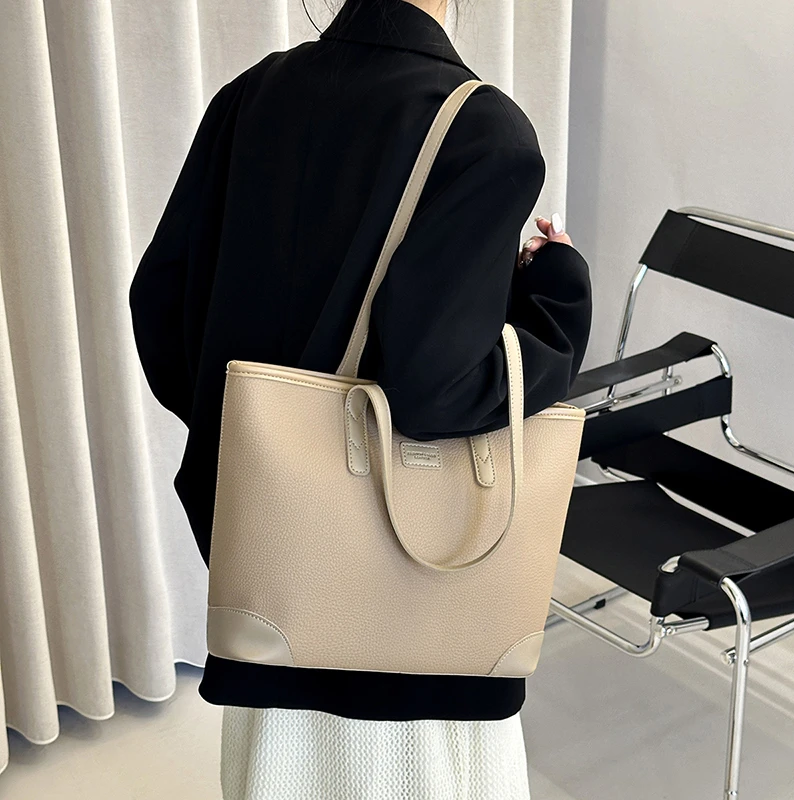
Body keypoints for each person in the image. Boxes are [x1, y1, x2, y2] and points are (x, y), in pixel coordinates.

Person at [128, 0, 592, 796]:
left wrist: (266, 450)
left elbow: (163, 309)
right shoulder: (484, 132)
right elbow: (435, 389)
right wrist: (557, 290)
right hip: (417, 607)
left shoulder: (249, 96)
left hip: (272, 575)